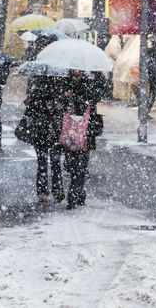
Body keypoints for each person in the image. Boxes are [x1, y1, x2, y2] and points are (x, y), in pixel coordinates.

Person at [18, 75, 66, 203]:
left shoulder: (58, 91)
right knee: (45, 162)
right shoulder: (40, 90)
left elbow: (64, 110)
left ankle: (52, 190)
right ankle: (49, 191)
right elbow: (31, 109)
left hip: (51, 131)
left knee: (50, 162)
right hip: (43, 131)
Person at [62, 70, 104, 210]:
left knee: (80, 163)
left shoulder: (93, 76)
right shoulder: (65, 79)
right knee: (71, 163)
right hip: (71, 129)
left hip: (85, 129)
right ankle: (78, 191)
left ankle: (75, 193)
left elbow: (97, 94)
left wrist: (78, 97)